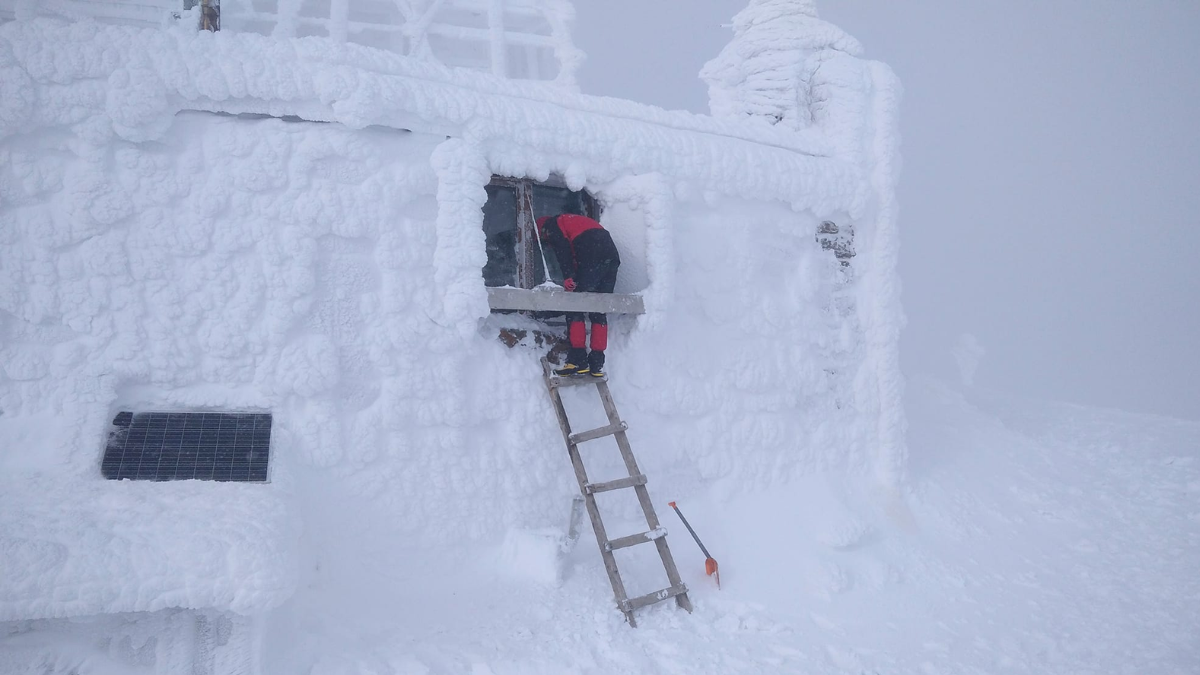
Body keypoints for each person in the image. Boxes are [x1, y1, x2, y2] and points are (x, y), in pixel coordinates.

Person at [537, 213, 620, 377]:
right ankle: (596, 364)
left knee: (574, 305)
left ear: (543, 231)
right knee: (599, 308)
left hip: (592, 252)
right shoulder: (573, 222)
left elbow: (562, 250)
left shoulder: (552, 224)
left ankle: (577, 360)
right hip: (611, 256)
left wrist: (568, 276)